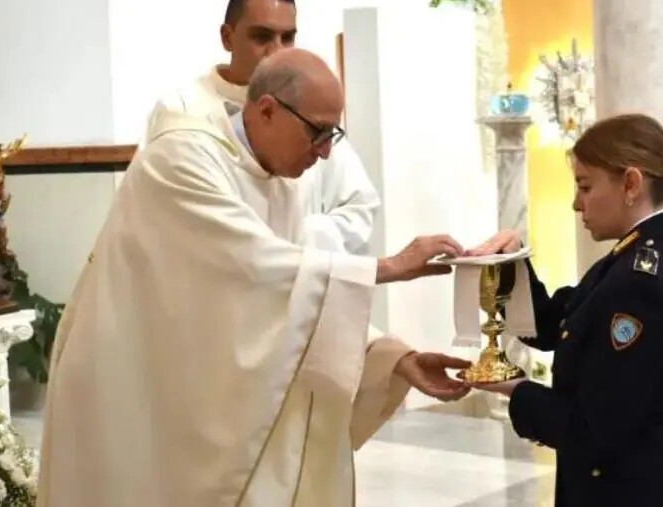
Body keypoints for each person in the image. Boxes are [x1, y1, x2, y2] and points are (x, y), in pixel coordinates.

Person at [38, 48, 472, 507]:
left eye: (334, 134)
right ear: (267, 110)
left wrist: (394, 358)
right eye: (318, 133)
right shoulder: (182, 160)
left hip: (209, 389)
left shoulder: (283, 180)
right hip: (140, 393)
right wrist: (389, 267)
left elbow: (295, 294)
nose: (325, 153)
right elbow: (258, 267)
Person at [468, 114, 663, 506]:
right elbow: (555, 325)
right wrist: (511, 262)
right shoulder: (632, 257)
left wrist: (515, 389)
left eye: (585, 186)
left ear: (630, 184)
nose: (576, 203)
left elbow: (596, 428)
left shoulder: (643, 281)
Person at [144, 0, 379, 255]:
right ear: (227, 37)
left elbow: (359, 207)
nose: (276, 51)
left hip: (297, 283)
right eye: (262, 37)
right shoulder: (180, 110)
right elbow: (159, 216)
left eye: (287, 38)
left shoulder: (310, 108)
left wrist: (299, 239)